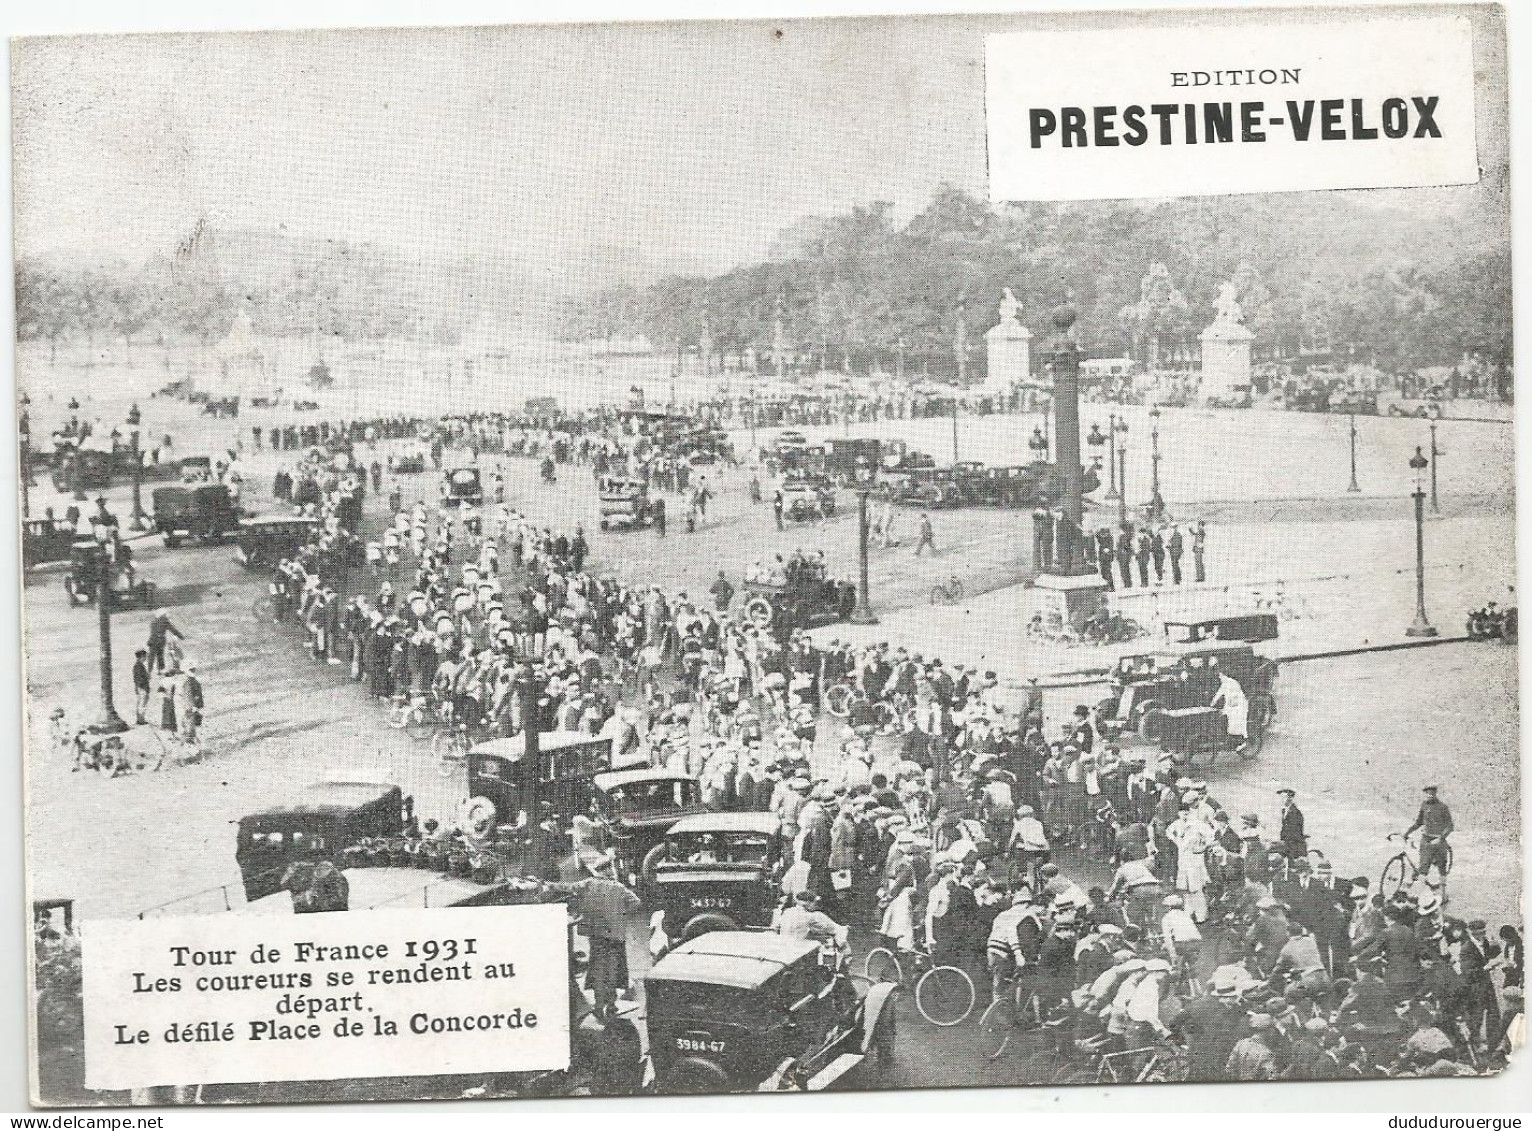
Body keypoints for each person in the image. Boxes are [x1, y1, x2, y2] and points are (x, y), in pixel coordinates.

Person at [1403, 785, 1453, 886]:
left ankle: (1442, 893)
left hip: (1439, 842)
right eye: (1427, 793)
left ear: (1435, 793)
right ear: (1425, 793)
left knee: (1441, 867)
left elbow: (1450, 826)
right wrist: (1407, 832)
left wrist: (1441, 838)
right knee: (1423, 868)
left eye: (1432, 793)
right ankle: (1422, 893)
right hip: (1426, 841)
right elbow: (1419, 822)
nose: (1430, 795)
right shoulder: (1424, 805)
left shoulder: (1443, 807)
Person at [1277, 787, 1307, 859]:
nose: (1282, 799)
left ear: (1290, 798)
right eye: (1281, 797)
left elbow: (1294, 833)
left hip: (1294, 846)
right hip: (1287, 844)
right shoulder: (1285, 811)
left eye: (1284, 797)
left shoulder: (1295, 813)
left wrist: (1283, 844)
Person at [131, 649, 152, 726]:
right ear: (141, 657)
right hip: (142, 687)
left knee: (141, 703)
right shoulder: (138, 666)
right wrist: (147, 678)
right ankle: (140, 720)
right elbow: (139, 679)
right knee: (142, 704)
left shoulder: (139, 665)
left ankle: (141, 719)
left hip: (141, 687)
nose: (145, 658)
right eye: (145, 657)